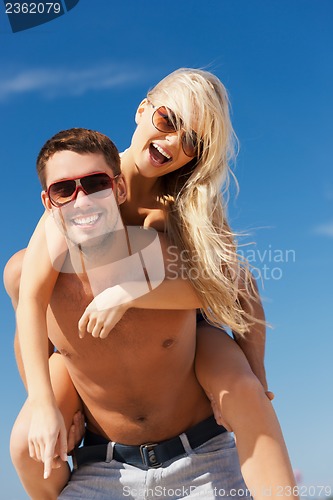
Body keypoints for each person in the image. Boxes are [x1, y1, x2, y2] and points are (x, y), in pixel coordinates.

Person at [4, 69, 297, 500]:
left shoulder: (185, 203)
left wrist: (256, 375)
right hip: (86, 344)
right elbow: (30, 295)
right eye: (167, 120)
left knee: (241, 385)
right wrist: (45, 402)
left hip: (182, 328)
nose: (174, 142)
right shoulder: (86, 181)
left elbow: (236, 285)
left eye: (193, 140)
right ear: (143, 110)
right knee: (19, 268)